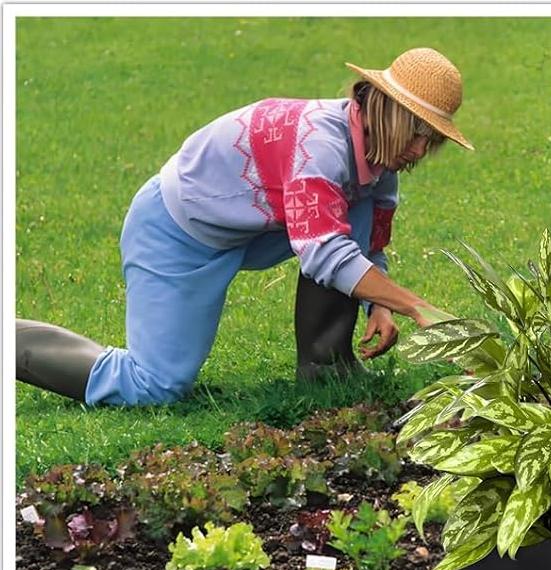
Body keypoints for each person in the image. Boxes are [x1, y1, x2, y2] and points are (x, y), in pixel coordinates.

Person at [17, 47, 471, 406]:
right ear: (387, 112)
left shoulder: (379, 161)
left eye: (430, 141)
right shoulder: (320, 145)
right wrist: (417, 307)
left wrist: (382, 306)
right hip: (176, 232)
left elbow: (366, 242)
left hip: (253, 230)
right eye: (416, 134)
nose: (419, 151)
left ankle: (326, 370)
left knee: (348, 223)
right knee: (153, 385)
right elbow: (326, 251)